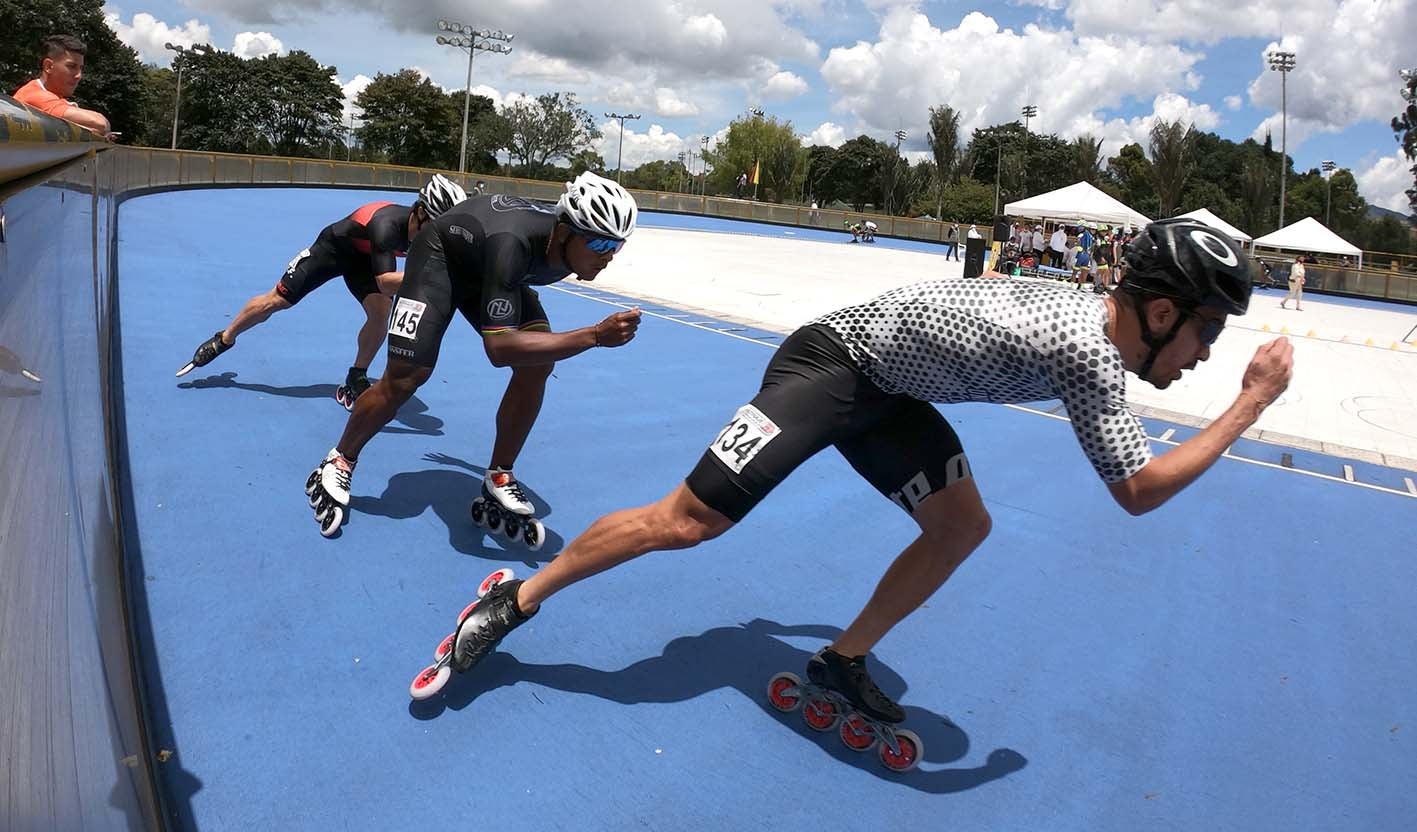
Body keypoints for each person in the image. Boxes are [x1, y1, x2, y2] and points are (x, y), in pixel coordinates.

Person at [443, 219, 1293, 733]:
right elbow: (1137, 491)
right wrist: (1248, 403)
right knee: (687, 522)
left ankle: (841, 659)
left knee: (963, 525)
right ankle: (514, 600)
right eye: (1205, 331)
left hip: (894, 386)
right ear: (1156, 310)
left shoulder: (1095, 331)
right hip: (832, 366)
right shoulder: (1087, 350)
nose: (1206, 353)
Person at [305, 172, 643, 538]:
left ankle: (499, 474)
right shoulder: (513, 243)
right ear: (564, 233)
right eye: (598, 246)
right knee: (407, 376)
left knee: (538, 364)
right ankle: (340, 458)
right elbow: (498, 349)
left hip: (491, 268)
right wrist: (594, 335)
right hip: (438, 260)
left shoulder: (561, 248)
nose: (607, 257)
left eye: (616, 247)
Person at [175, 174, 468, 409]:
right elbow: (385, 281)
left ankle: (356, 375)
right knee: (278, 301)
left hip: (365, 261)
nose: (436, 235)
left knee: (380, 316)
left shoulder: (432, 234)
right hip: (333, 249)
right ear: (418, 211)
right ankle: (225, 338)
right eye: (434, 225)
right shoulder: (387, 226)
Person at [12, 35, 116, 140]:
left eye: (80, 68)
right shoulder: (35, 96)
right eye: (71, 66)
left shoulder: (53, 97)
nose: (79, 75)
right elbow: (99, 124)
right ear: (48, 66)